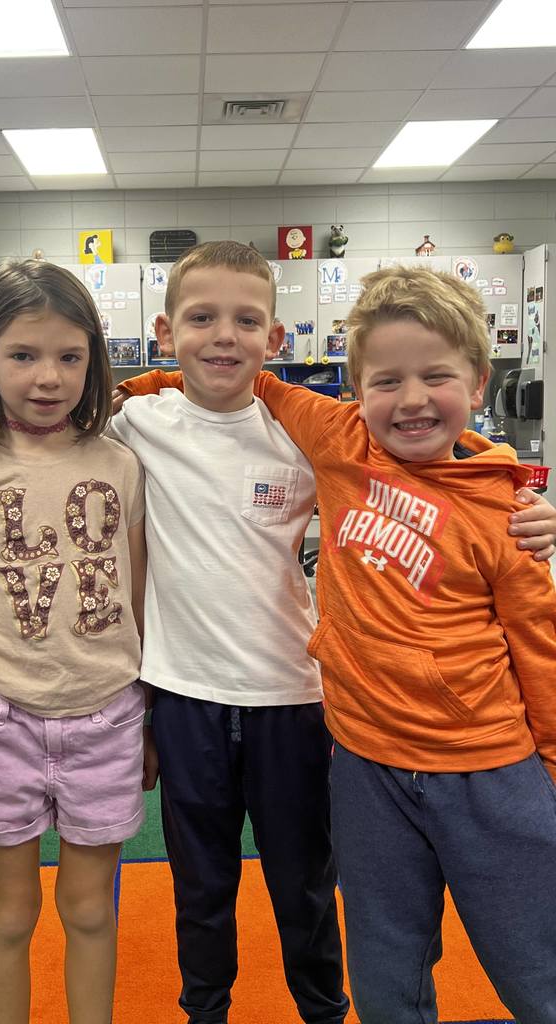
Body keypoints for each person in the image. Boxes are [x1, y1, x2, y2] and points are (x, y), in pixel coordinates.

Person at [0, 245, 556, 1024]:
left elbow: (419, 444)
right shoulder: (137, 424)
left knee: (305, 883)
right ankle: (205, 1009)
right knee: (202, 887)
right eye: (202, 319)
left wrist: (509, 481)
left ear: (275, 339)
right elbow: (70, 406)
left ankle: (322, 1008)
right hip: (182, 698)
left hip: (293, 695)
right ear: (165, 330)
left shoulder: (310, 431)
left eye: (246, 320)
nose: (223, 336)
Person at [121, 264, 556, 1024]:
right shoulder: (321, 433)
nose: (413, 398)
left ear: (480, 384)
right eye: (386, 380)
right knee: (365, 959)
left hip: (452, 753)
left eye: (436, 376)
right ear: (356, 391)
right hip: (344, 750)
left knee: (522, 961)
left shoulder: (498, 505)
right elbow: (221, 376)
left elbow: (541, 646)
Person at [0, 258, 151, 1024]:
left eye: (69, 356)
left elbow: (140, 601)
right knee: (11, 914)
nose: (47, 377)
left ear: (94, 359)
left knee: (89, 911)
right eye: (22, 355)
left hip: (109, 716)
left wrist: (149, 721)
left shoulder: (123, 463)